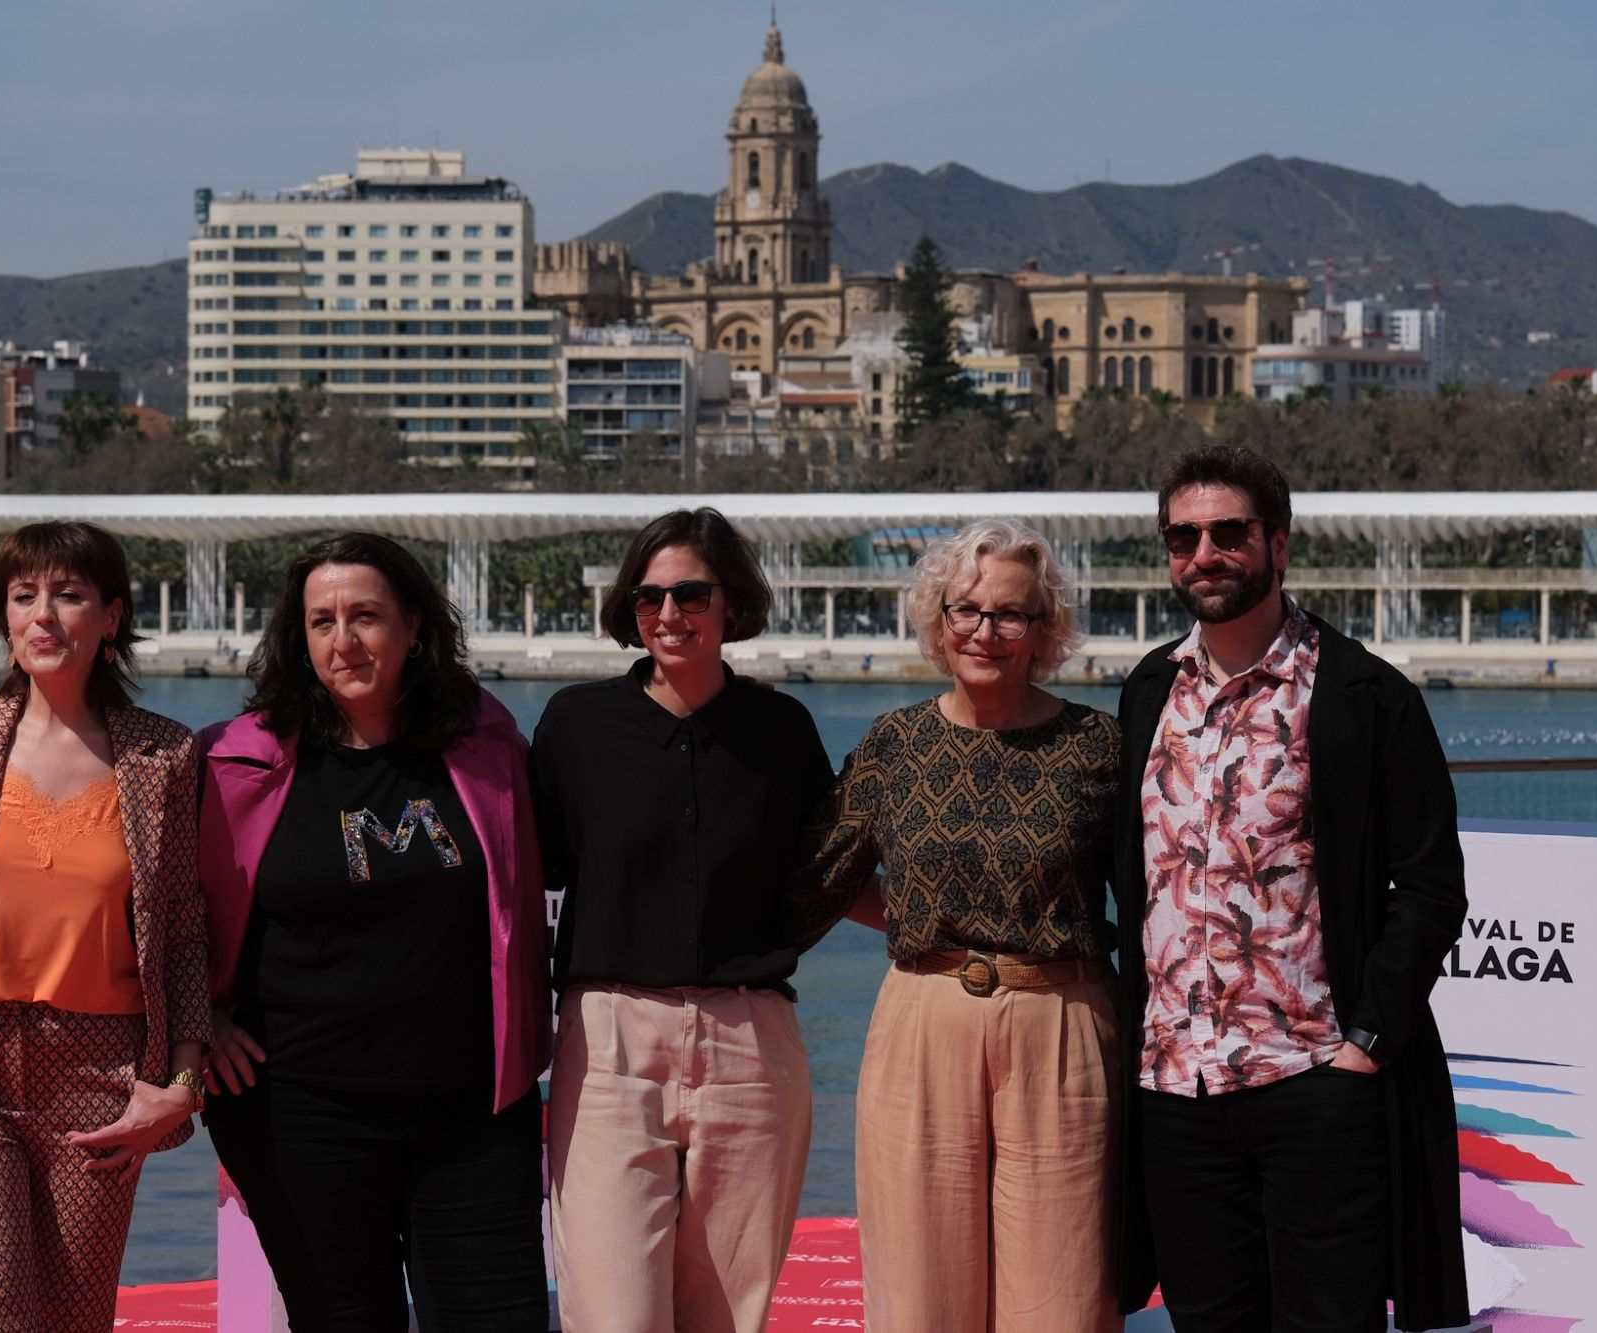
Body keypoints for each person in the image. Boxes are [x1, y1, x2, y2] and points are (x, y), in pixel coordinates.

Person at [1113, 445, 1469, 1332]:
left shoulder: (1364, 695)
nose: (1205, 553)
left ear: (1278, 544)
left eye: (1229, 532)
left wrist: (1365, 1046)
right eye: (1183, 536)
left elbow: (1430, 885)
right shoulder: (1146, 692)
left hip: (1314, 1085)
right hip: (1176, 1095)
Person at [198, 532, 551, 1332]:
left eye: (365, 615)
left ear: (414, 625)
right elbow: (160, 911)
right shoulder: (232, 762)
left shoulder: (486, 744)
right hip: (300, 1114)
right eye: (321, 621)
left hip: (474, 1114)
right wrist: (200, 1018)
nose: (343, 640)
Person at [0, 521, 210, 1333]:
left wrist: (182, 1084)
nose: (43, 615)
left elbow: (186, 934)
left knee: (74, 1320)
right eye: (24, 597)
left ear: (112, 617)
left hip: (104, 1072)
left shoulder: (164, 756)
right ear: (4, 616)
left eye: (69, 594)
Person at [788, 518, 1124, 1333]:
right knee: (918, 1297)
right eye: (966, 609)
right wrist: (916, 922)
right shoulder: (894, 743)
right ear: (937, 618)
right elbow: (818, 881)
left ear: (1045, 629)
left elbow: (1160, 890)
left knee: (1065, 1298)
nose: (986, 630)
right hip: (923, 1021)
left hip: (1061, 1023)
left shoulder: (1097, 745)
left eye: (1012, 613)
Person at [532, 507, 833, 1333]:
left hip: (752, 1039)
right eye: (648, 596)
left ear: (731, 600)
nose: (668, 614)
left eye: (690, 593)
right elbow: (526, 883)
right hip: (608, 1043)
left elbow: (828, 877)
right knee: (613, 1315)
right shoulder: (575, 725)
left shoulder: (783, 731)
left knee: (727, 1318)